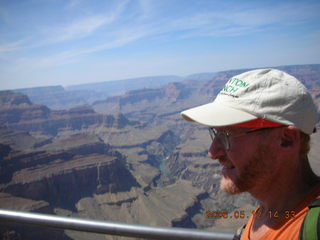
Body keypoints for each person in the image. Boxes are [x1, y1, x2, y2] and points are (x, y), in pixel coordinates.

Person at [181, 69, 320, 239]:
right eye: (215, 133)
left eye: (227, 135)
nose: (212, 152)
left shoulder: (314, 228)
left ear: (286, 140)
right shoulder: (263, 216)